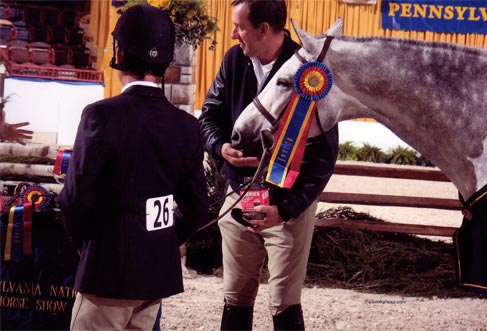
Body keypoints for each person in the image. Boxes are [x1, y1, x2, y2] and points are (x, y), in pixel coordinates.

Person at [58, 4, 208, 330]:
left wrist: (84, 241)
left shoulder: (100, 116)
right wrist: (164, 238)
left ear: (120, 53)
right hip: (156, 274)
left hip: (106, 271)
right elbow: (197, 208)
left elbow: (74, 199)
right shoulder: (186, 126)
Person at [198, 0, 338, 330]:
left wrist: (286, 208)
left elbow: (323, 157)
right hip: (238, 196)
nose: (234, 34)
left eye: (239, 27)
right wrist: (221, 148)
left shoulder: (309, 71)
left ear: (263, 29)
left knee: (285, 303)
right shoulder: (234, 60)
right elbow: (209, 117)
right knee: (235, 297)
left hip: (286, 205)